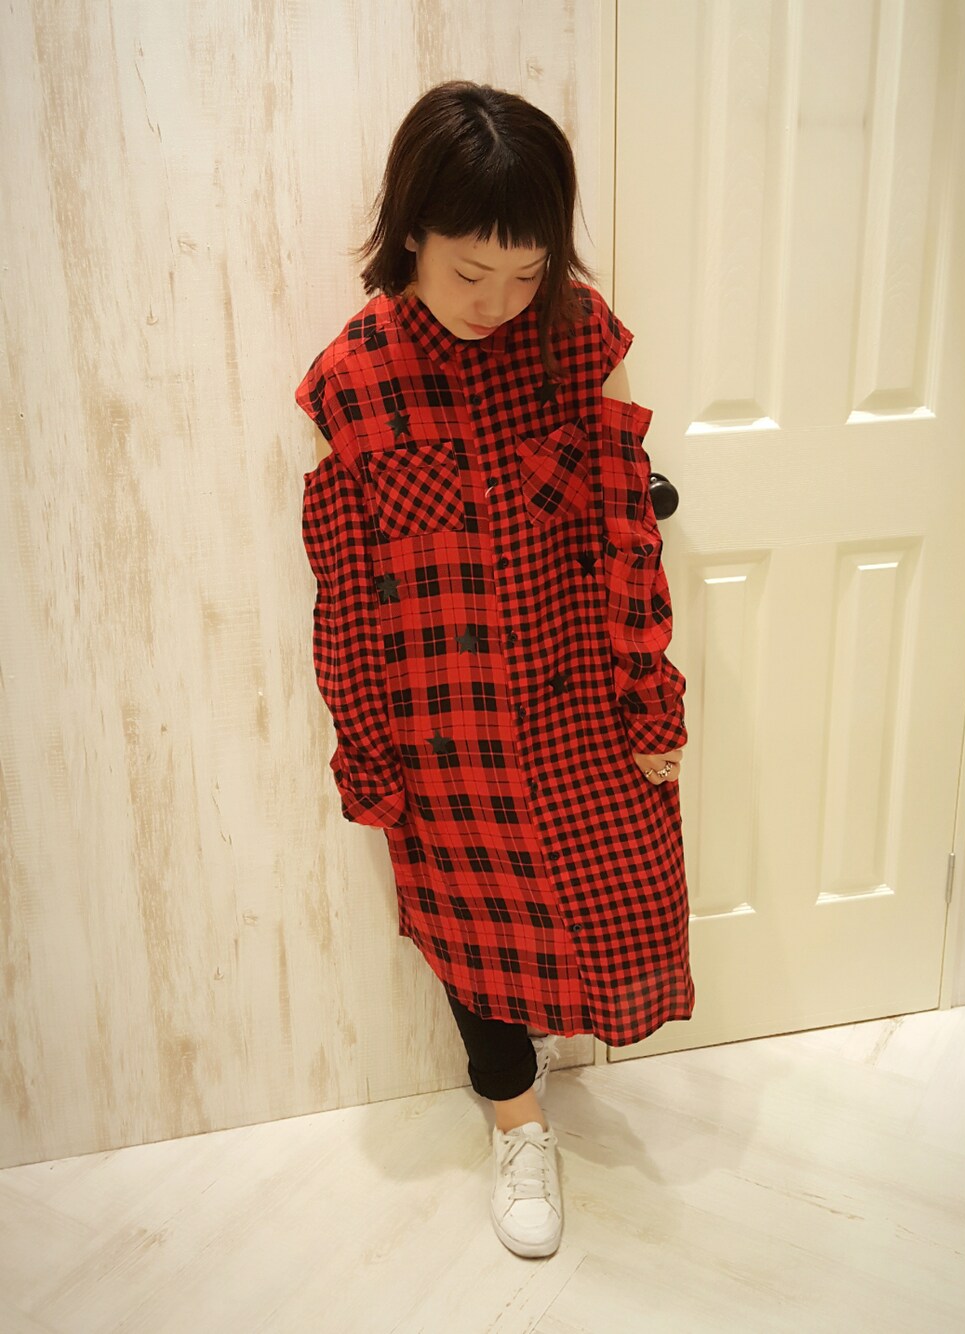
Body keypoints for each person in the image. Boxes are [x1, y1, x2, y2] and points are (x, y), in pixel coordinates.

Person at [295, 80, 693, 1260]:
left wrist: (649, 694)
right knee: (472, 935)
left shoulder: (578, 337)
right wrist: (367, 751)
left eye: (526, 274)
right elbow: (345, 595)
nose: (498, 303)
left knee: (623, 890)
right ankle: (515, 1121)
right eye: (471, 271)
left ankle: (566, 1062)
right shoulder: (350, 385)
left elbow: (629, 528)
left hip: (579, 697)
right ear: (410, 230)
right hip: (447, 729)